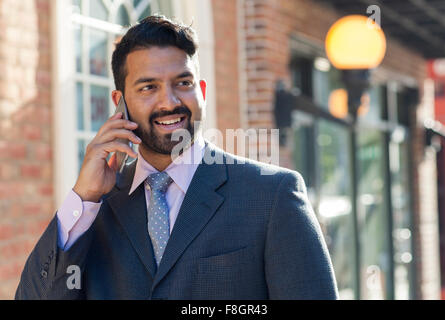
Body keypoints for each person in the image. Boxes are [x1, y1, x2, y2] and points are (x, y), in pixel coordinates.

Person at [15, 15, 338, 300]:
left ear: (203, 92)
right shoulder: (94, 210)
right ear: (119, 102)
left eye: (182, 83)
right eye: (148, 88)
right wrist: (82, 199)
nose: (169, 102)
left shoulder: (272, 195)